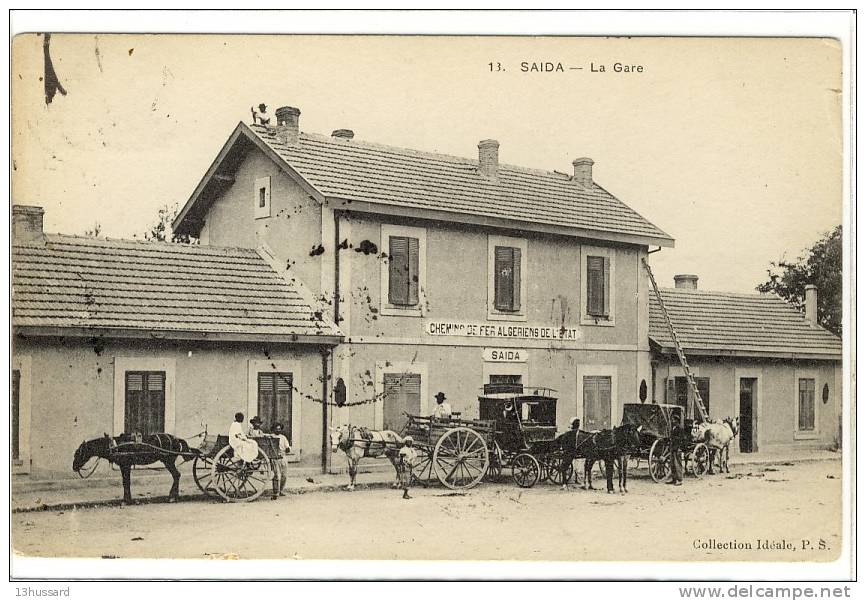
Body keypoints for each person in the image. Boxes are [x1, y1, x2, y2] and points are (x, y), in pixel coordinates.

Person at [272, 422, 292, 496]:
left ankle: (281, 490)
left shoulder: (283, 437)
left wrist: (288, 449)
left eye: (279, 429)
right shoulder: (271, 437)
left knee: (284, 475)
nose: (278, 430)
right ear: (273, 429)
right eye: (276, 429)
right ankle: (275, 492)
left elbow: (287, 446)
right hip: (275, 458)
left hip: (282, 457)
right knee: (276, 475)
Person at [667, 415, 686, 486]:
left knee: (678, 464)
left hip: (677, 448)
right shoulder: (673, 427)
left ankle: (679, 480)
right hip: (673, 448)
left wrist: (679, 448)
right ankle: (673, 478)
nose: (672, 421)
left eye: (673, 420)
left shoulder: (680, 428)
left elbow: (681, 439)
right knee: (672, 464)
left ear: (676, 420)